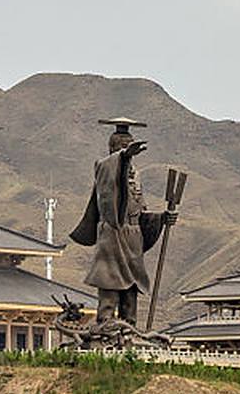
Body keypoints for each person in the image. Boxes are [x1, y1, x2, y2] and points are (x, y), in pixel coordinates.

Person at [68, 118, 176, 327]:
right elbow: (110, 180)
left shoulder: (135, 175)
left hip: (132, 237)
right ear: (113, 149)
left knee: (131, 290)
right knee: (109, 286)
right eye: (122, 147)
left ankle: (129, 332)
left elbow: (139, 211)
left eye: (129, 147)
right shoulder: (104, 168)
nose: (128, 152)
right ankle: (105, 329)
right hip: (112, 235)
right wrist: (123, 156)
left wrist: (162, 218)